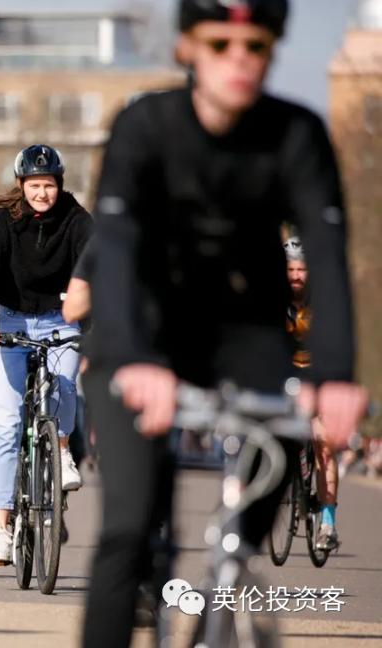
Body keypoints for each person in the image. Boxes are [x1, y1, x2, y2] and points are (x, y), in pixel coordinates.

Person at [81, 3, 369, 645]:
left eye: (256, 44)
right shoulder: (144, 126)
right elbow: (118, 250)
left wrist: (335, 375)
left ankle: (224, 586)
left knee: (269, 472)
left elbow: (325, 254)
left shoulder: (297, 134)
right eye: (220, 42)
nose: (240, 58)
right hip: (143, 334)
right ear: (188, 48)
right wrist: (131, 358)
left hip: (247, 330)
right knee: (129, 529)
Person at [0, 144, 92, 566]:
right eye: (35, 186)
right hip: (8, 322)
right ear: (21, 185)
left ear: (60, 185)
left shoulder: (77, 220)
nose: (43, 193)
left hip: (60, 319)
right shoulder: (3, 221)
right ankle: (0, 531)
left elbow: (94, 269)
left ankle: (61, 448)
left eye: (50, 185)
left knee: (65, 386)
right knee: (5, 424)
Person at [285, 236, 341, 550]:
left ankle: (329, 523)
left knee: (324, 446)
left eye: (301, 269)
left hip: (319, 379)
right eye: (290, 269)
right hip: (286, 379)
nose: (296, 275)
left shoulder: (324, 302)